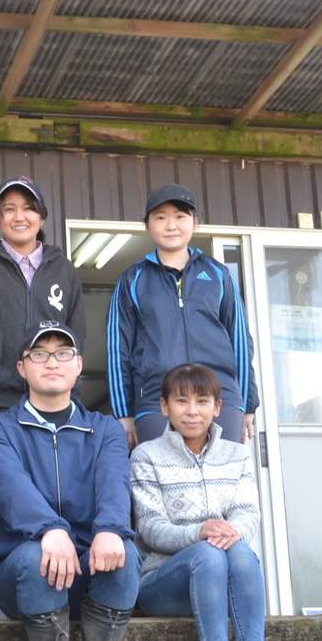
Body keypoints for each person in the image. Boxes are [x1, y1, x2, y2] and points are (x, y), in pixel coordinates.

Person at [0, 321, 140, 641]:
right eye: (39, 354)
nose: (52, 362)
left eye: (63, 353)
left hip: (87, 569)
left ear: (79, 364)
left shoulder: (104, 430)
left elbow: (115, 484)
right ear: (22, 367)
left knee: (125, 553)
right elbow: (9, 487)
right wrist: (48, 528)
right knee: (38, 557)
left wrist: (111, 529)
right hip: (23, 571)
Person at [129, 363, 290, 641]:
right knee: (209, 554)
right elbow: (150, 528)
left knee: (242, 553)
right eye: (181, 401)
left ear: (217, 408)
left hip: (223, 573)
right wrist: (199, 532)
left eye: (202, 401)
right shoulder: (146, 456)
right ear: (164, 407)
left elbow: (248, 512)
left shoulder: (236, 455)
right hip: (163, 582)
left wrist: (232, 532)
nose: (191, 411)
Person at [0, 176, 86, 529]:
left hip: (54, 400)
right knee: (0, 496)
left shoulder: (63, 269)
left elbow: (76, 333)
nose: (19, 217)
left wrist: (69, 390)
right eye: (9, 210)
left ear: (42, 218)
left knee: (53, 491)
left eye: (28, 209)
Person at [106, 183, 257, 449]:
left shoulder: (218, 275)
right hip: (155, 399)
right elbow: (117, 348)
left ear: (195, 223)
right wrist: (123, 412)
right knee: (162, 482)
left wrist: (245, 403)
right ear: (147, 226)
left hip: (220, 399)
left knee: (222, 482)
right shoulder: (132, 279)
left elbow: (240, 342)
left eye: (180, 216)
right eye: (160, 217)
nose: (170, 225)